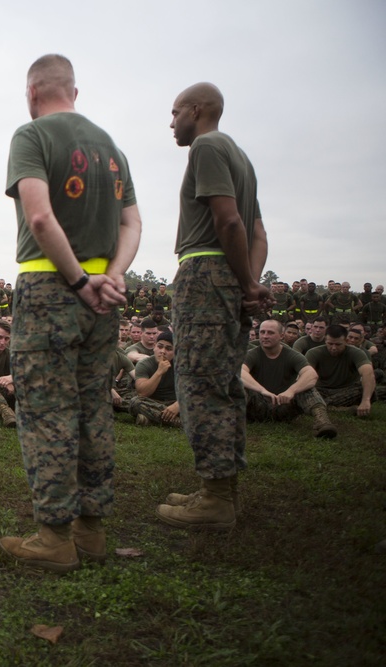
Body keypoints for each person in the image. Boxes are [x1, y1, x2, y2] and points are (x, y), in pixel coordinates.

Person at [0, 54, 141, 572]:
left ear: (33, 92)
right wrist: (113, 276)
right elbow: (131, 223)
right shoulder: (112, 149)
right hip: (105, 293)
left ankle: (54, 537)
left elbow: (39, 217)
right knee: (93, 408)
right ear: (73, 92)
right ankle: (92, 531)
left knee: (46, 412)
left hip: (51, 287)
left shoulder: (32, 136)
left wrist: (78, 281)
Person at [156, 82, 270, 531]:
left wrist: (244, 282)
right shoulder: (241, 157)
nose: (172, 122)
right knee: (224, 381)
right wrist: (251, 284)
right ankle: (222, 488)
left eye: (176, 112)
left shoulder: (205, 147)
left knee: (200, 383)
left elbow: (228, 219)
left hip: (205, 274)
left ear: (197, 110)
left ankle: (215, 498)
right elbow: (258, 232)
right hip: (230, 278)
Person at [241, 319, 337, 437]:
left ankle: (322, 423)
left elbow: (311, 375)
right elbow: (240, 372)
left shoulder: (291, 355)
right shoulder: (252, 354)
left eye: (270, 333)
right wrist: (262, 390)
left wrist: (291, 391)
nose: (265, 336)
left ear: (281, 335)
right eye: (262, 332)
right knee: (238, 386)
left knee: (307, 388)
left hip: (284, 405)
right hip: (256, 407)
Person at [306, 324, 377, 416]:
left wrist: (366, 400)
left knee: (369, 387)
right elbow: (304, 375)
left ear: (346, 341)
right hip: (321, 390)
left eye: (338, 344)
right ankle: (340, 409)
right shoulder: (313, 353)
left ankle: (319, 406)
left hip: (347, 390)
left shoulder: (356, 353)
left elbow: (368, 373)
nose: (334, 348)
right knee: (303, 392)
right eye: (330, 344)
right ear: (325, 341)